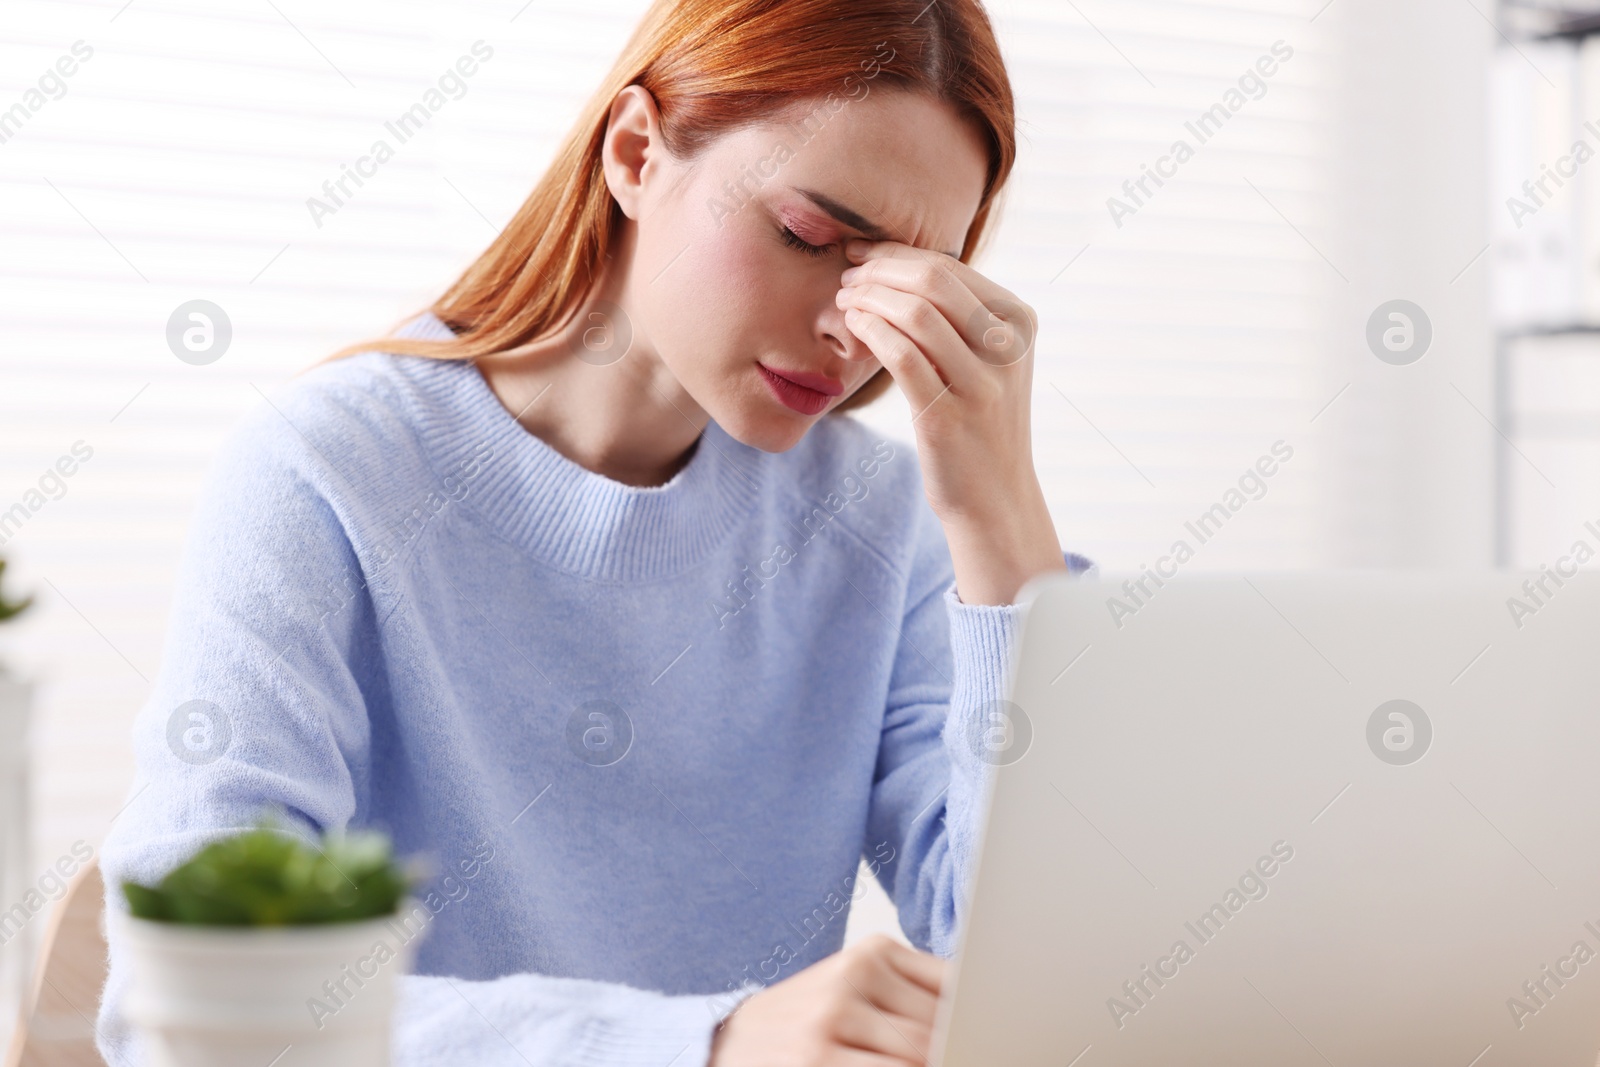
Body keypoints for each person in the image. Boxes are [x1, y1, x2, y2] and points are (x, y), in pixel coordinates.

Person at [96, 0, 1094, 1063]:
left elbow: (1037, 964)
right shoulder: (332, 471)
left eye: (909, 282)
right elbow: (194, 1003)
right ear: (633, 152)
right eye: (809, 235)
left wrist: (1004, 532)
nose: (850, 331)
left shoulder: (881, 521)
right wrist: (703, 1043)